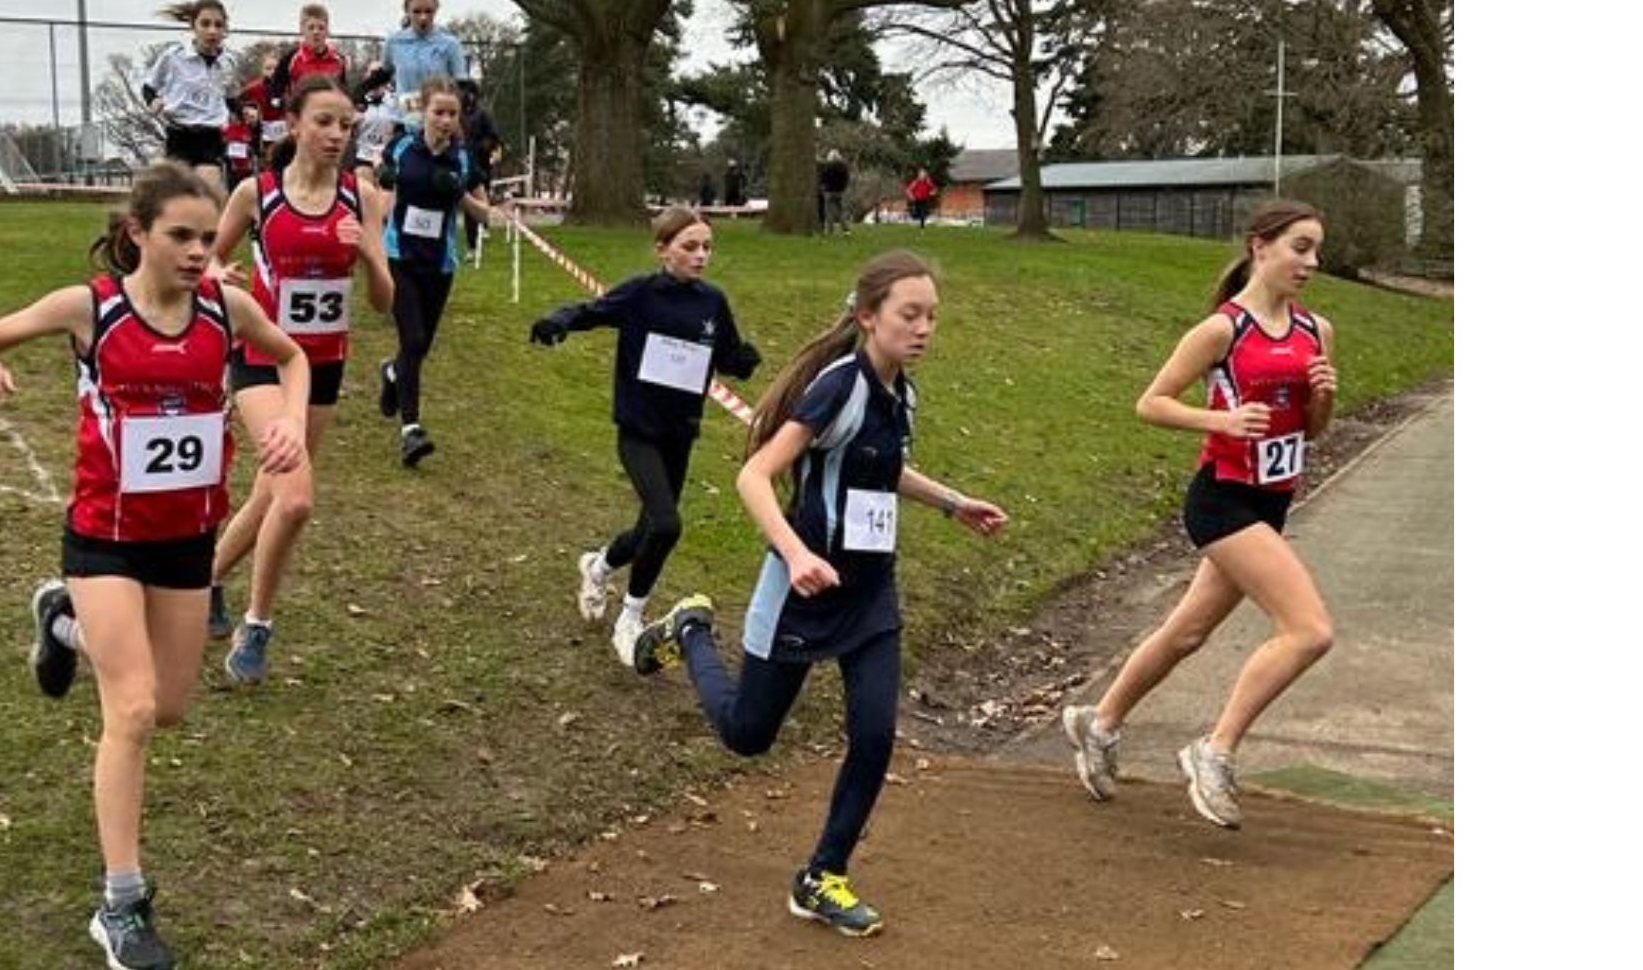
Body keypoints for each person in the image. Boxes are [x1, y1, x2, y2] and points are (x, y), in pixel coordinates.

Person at [0, 161, 309, 970]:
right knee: (136, 709)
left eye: (204, 236)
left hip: (186, 540)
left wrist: (286, 421)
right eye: (179, 235)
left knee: (173, 705)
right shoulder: (93, 308)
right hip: (104, 538)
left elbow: (290, 357)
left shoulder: (228, 306)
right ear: (137, 233)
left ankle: (59, 622)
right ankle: (122, 905)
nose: (196, 250)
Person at [626, 251, 1008, 937]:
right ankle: (689, 632)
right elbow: (755, 474)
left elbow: (881, 469)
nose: (923, 329)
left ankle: (822, 873)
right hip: (803, 591)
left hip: (868, 595)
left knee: (874, 733)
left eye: (931, 317)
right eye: (909, 315)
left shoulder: (901, 391)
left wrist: (953, 503)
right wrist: (797, 553)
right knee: (747, 735)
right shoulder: (839, 386)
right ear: (868, 317)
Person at [1059, 199, 1339, 830]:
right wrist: (1221, 419)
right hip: (1221, 498)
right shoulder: (1223, 331)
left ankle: (1098, 724)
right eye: (1300, 247)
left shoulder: (1315, 331)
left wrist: (1324, 396)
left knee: (1186, 633)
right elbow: (1150, 403)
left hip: (1273, 500)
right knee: (1309, 629)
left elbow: (1314, 432)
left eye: (1317, 250)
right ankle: (1214, 751)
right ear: (1259, 246)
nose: (1312, 262)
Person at [202, 74, 395, 681]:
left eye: (346, 124)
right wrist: (217, 274)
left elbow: (385, 301)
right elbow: (205, 254)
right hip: (262, 356)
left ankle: (204, 580)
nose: (337, 134)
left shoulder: (360, 197)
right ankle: (256, 627)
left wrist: (365, 250)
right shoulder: (257, 193)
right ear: (294, 124)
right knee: (297, 496)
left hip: (323, 367)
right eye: (324, 122)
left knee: (270, 492)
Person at [527, 207, 763, 657]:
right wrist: (558, 321)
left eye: (707, 247)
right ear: (662, 249)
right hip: (638, 431)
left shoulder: (712, 302)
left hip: (681, 431)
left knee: (648, 530)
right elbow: (592, 311)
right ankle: (631, 619)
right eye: (689, 247)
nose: (700, 256)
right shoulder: (642, 294)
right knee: (667, 524)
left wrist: (742, 362)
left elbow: (726, 353)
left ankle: (599, 566)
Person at [375, 75, 496, 467]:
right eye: (438, 112)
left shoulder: (463, 158)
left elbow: (486, 212)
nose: (445, 120)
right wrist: (384, 179)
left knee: (420, 347)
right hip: (400, 256)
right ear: (423, 111)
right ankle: (411, 430)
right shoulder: (404, 145)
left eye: (452, 114)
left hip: (439, 262)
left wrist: (458, 193)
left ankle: (393, 373)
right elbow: (378, 177)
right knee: (413, 338)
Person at [144, 0, 240, 198]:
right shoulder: (174, 56)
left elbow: (229, 97)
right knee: (176, 196)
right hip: (180, 135)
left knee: (211, 190)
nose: (212, 31)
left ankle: (214, 228)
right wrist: (153, 100)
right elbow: (149, 87)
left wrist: (244, 111)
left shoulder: (228, 62)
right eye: (205, 24)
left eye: (218, 25)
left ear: (225, 30)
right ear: (193, 26)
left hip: (210, 137)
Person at [356, 0, 467, 134]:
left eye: (428, 11)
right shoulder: (394, 42)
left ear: (436, 9)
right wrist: (359, 92)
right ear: (406, 10)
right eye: (417, 11)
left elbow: (462, 86)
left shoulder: (450, 44)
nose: (423, 18)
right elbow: (384, 74)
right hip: (405, 121)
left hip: (440, 124)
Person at [268, 2, 348, 108]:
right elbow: (276, 88)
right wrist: (282, 103)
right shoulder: (291, 58)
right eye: (311, 27)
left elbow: (343, 88)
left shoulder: (339, 60)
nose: (316, 32)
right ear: (302, 29)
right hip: (301, 119)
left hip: (328, 116)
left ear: (328, 30)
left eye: (321, 28)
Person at [458, 78, 506, 253]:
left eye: (463, 92)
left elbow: (493, 138)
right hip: (463, 163)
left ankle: (483, 226)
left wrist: (481, 148)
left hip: (480, 164)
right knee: (467, 201)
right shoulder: (456, 114)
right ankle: (471, 240)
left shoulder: (482, 115)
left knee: (480, 197)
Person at [221, 102, 258, 191]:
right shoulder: (226, 129)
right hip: (232, 168)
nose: (231, 117)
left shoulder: (248, 127)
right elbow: (223, 145)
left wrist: (249, 148)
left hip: (246, 167)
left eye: (233, 115)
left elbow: (252, 145)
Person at [820, 150, 851, 235]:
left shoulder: (827, 167)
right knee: (840, 211)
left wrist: (823, 187)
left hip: (829, 191)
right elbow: (846, 179)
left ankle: (830, 231)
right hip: (840, 192)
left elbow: (823, 178)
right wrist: (843, 188)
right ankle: (846, 230)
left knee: (829, 212)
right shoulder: (844, 167)